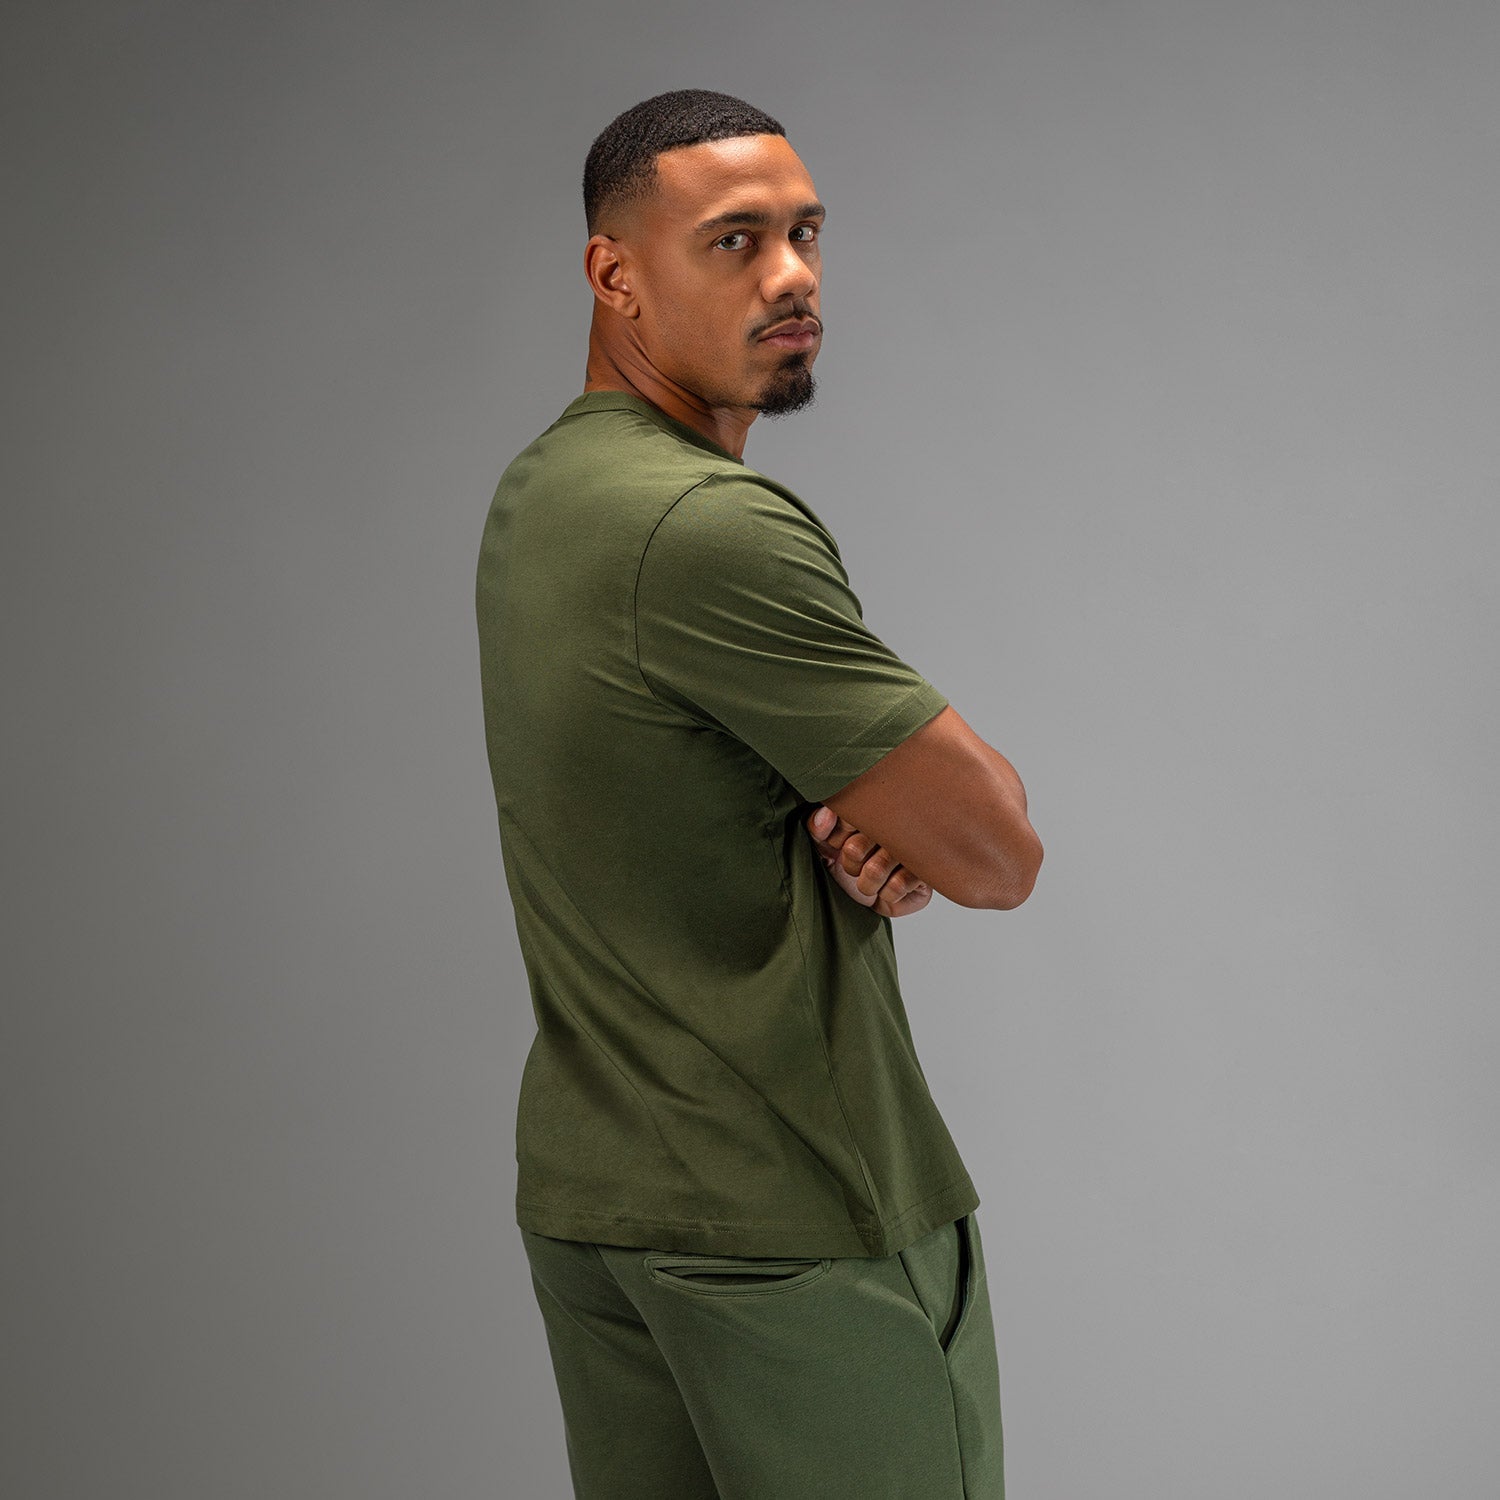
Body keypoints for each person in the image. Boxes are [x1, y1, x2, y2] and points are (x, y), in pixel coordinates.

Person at [475, 88, 1042, 1500]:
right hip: (791, 1212)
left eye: (805, 234)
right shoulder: (709, 526)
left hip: (607, 1210)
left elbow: (678, 799)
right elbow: (996, 849)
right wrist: (904, 824)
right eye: (734, 241)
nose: (793, 276)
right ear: (614, 275)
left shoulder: (545, 493)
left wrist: (858, 826)